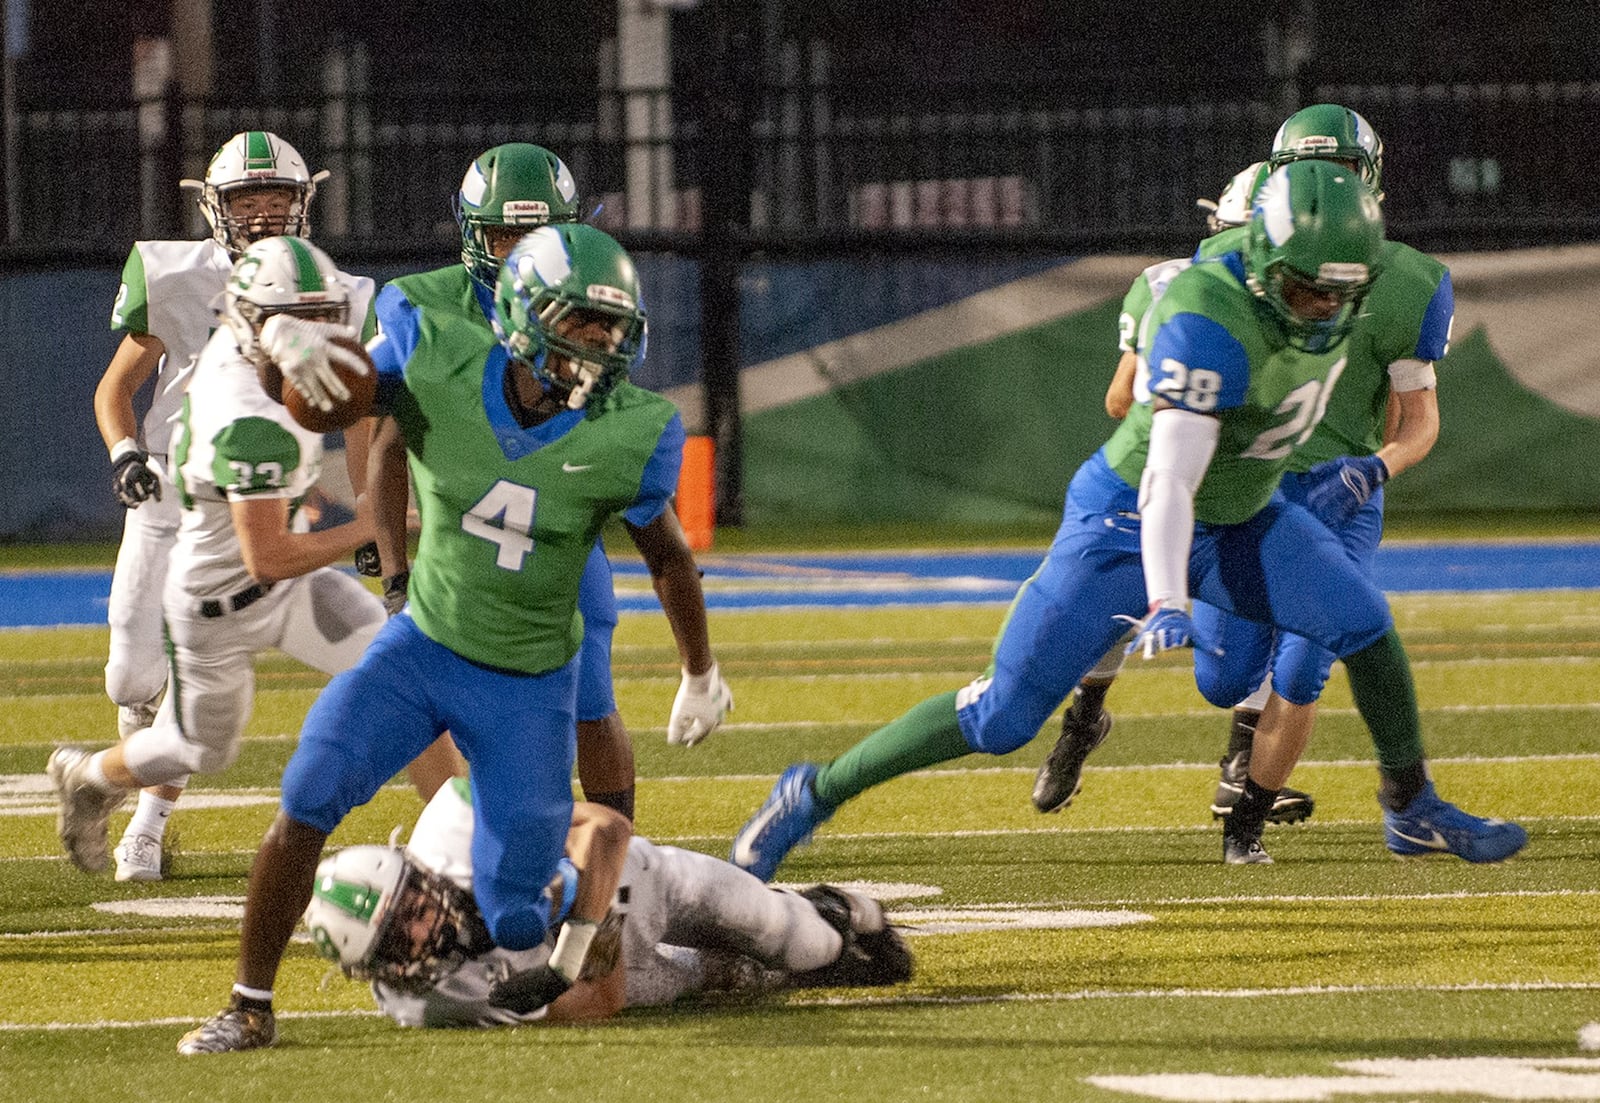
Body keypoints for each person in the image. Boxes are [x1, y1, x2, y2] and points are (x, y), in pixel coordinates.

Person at [730, 160, 1525, 882]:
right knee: (1001, 717)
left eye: (1339, 293)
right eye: (1305, 289)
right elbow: (1167, 484)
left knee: (1363, 621)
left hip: (1243, 509)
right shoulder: (1206, 315)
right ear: (1260, 261)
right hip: (1126, 518)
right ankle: (814, 791)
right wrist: (1168, 595)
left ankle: (1409, 802)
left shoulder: (1356, 276)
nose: (1322, 309)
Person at [176, 223, 731, 1054]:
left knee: (514, 911)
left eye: (609, 328)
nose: (596, 345)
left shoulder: (634, 429)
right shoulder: (435, 352)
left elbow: (671, 562)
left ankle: (612, 914)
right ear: (518, 314)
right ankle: (249, 1001)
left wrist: (700, 667)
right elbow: (338, 403)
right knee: (307, 792)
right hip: (425, 648)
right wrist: (288, 356)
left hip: (529, 684)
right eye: (577, 322)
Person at [1034, 105, 1461, 864]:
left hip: (1338, 497)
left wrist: (1373, 467)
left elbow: (1414, 416)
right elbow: (1128, 397)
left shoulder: (1408, 281)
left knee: (1306, 662)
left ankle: (1246, 820)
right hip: (1244, 489)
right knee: (1221, 670)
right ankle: (1105, 713)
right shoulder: (1202, 277)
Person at [363, 143, 729, 825]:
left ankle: (614, 859)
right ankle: (459, 845)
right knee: (429, 707)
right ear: (471, 234)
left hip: (554, 534)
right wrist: (393, 574)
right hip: (454, 545)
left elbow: (660, 538)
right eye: (502, 236)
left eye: (533, 237)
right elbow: (382, 446)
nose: (516, 255)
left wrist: (699, 666)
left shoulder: (581, 302)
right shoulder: (427, 307)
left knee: (590, 703)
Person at [50, 236, 391, 877]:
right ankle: (91, 775)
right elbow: (267, 555)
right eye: (287, 319)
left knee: (402, 671)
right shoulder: (246, 411)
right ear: (244, 323)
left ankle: (453, 844)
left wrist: (367, 509)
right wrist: (370, 528)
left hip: (286, 582)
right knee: (192, 743)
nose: (309, 333)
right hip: (221, 599)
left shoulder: (266, 360)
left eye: (319, 315)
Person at [91, 131, 330, 879]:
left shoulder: (328, 286)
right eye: (246, 200)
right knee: (129, 677)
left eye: (276, 199)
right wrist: (125, 452)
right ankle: (139, 740)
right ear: (216, 208)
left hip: (249, 499)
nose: (262, 214)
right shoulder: (176, 274)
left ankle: (149, 826)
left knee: (199, 652)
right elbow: (115, 389)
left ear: (303, 205)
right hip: (166, 485)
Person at [304, 777, 912, 1028]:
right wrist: (587, 961)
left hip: (633, 884)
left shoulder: (457, 820)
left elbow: (605, 829)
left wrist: (584, 922)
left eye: (410, 910)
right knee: (736, 980)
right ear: (378, 972)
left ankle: (832, 909)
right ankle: (743, 963)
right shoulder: (428, 1002)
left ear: (416, 872)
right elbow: (599, 1000)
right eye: (396, 944)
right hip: (598, 973)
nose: (419, 935)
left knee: (798, 942)